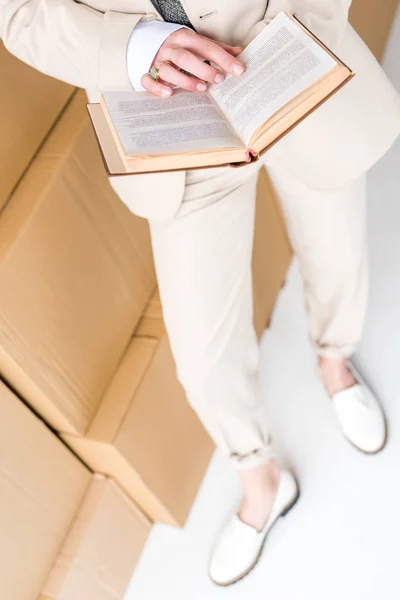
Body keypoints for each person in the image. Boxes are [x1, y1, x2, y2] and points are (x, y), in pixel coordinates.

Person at [2, 0, 400, 586]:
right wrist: (132, 51)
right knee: (203, 355)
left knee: (336, 238)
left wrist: (304, 28)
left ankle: (335, 361)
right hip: (166, 121)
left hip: (292, 54)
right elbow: (17, 14)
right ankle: (259, 478)